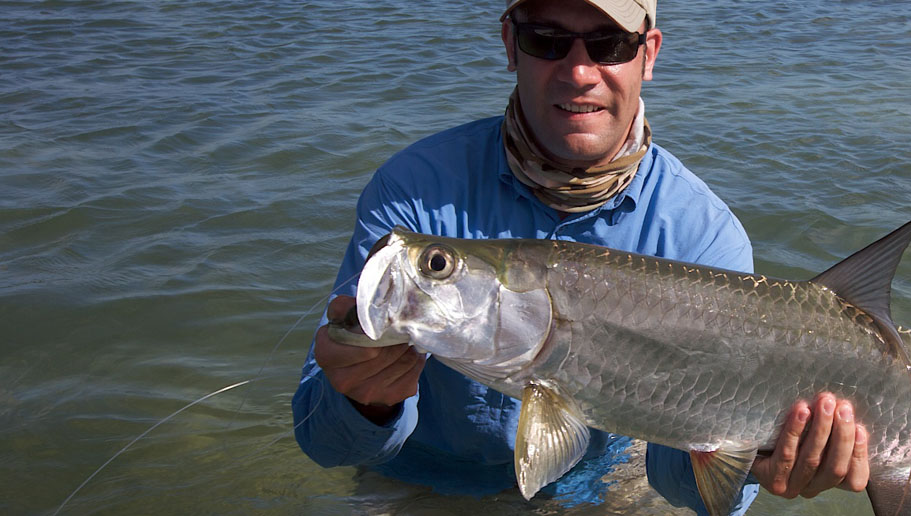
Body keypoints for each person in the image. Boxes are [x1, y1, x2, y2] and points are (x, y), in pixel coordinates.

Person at [291, 1, 869, 514]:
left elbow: (686, 480)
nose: (578, 72)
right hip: (419, 485)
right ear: (510, 45)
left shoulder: (702, 233)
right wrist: (363, 401)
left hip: (601, 487)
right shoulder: (412, 194)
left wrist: (757, 460)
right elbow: (324, 443)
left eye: (609, 43)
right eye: (546, 39)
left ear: (649, 54)